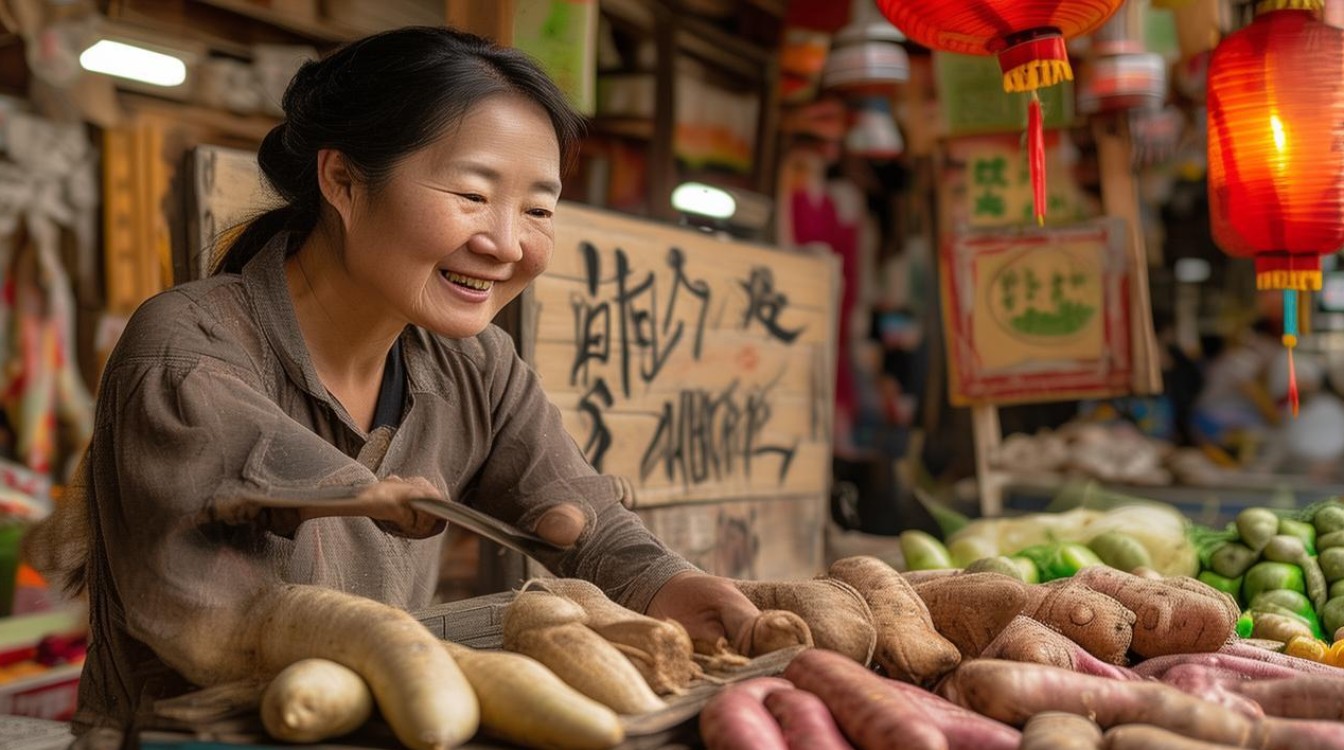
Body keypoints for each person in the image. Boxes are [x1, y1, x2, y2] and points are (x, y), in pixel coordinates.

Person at [39, 25, 760, 738]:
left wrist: (671, 586)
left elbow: (583, 519)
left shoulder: (474, 367)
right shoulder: (187, 346)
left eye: (538, 209)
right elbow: (232, 601)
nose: (506, 243)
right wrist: (367, 501)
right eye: (473, 196)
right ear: (344, 182)